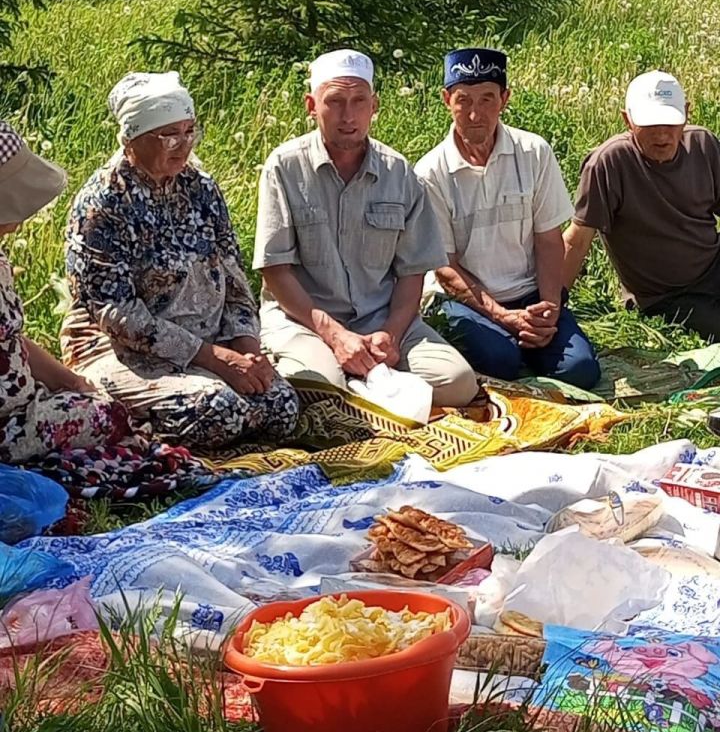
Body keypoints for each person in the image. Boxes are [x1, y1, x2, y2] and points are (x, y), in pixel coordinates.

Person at [62, 71, 299, 449]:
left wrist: (248, 353)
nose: (183, 144)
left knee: (281, 407)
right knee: (220, 412)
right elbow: (116, 314)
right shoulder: (103, 205)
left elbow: (234, 277)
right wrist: (213, 359)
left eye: (190, 131)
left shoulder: (200, 187)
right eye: (169, 134)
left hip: (212, 343)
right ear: (131, 139)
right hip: (124, 351)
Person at [253, 48, 478, 407]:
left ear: (374, 106)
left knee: (458, 383)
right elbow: (275, 271)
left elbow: (412, 271)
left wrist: (390, 335)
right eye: (335, 102)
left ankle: (367, 385)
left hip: (381, 318)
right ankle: (364, 388)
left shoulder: (398, 172)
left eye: (359, 101)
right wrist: (335, 335)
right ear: (311, 105)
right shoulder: (284, 167)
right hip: (305, 320)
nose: (348, 116)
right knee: (319, 386)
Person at [415, 47, 600, 390]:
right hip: (466, 300)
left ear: (505, 99)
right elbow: (446, 267)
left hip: (529, 293)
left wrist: (548, 310)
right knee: (501, 361)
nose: (475, 114)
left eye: (487, 99)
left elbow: (548, 239)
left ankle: (531, 339)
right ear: (446, 100)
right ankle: (508, 344)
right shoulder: (430, 173)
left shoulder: (534, 152)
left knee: (581, 371)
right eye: (464, 101)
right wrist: (502, 317)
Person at [0, 121, 131, 464]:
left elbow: (11, 338)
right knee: (110, 416)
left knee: (102, 404)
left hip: (23, 404)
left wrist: (70, 381)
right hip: (8, 425)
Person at [564, 70, 720, 340]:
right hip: (665, 296)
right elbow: (577, 241)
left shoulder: (703, 144)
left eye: (670, 122)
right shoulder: (609, 163)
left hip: (713, 267)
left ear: (686, 114)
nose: (662, 134)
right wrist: (551, 305)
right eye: (649, 124)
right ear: (628, 120)